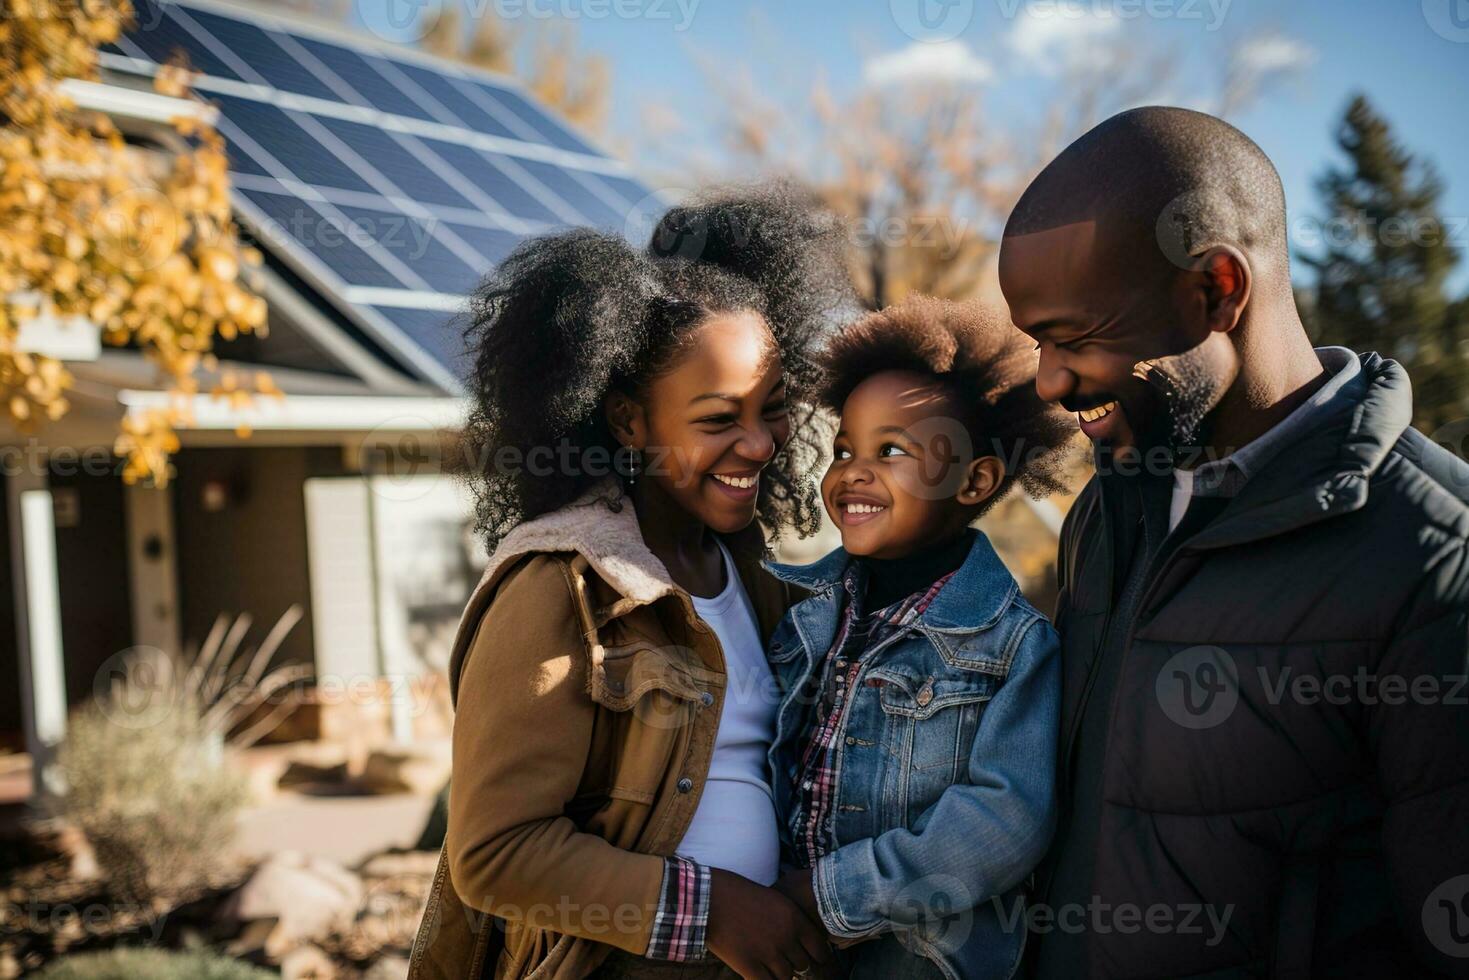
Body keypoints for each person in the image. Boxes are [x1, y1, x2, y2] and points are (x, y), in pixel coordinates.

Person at [998, 105, 1469, 977]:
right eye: (1035, 343)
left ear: (1216, 288)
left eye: (1073, 339)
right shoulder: (1105, 514)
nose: (1049, 380)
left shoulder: (1434, 554)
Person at [408, 186, 857, 980]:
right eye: (718, 420)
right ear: (627, 422)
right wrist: (711, 909)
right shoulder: (561, 584)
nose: (758, 443)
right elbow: (494, 849)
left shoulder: (758, 575)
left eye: (773, 409)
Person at [761, 296, 1073, 978]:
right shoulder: (798, 607)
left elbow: (1004, 820)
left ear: (975, 479)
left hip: (915, 959)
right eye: (844, 448)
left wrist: (827, 895)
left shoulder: (1013, 646)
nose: (851, 472)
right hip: (781, 945)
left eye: (890, 450)